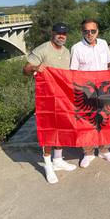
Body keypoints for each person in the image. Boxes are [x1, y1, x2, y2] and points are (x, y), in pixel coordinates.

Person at [23, 22, 77, 184]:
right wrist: (35, 68)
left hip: (63, 98)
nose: (62, 36)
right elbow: (25, 69)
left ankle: (58, 159)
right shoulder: (43, 49)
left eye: (64, 33)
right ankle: (47, 164)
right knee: (49, 130)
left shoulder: (67, 52)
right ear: (52, 33)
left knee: (61, 127)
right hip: (47, 98)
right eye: (59, 33)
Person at [70, 18, 110, 168]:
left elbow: (109, 62)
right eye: (86, 31)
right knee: (87, 122)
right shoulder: (76, 48)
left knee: (105, 119)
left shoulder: (103, 44)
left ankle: (104, 150)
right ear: (82, 32)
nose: (90, 34)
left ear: (97, 31)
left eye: (93, 31)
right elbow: (73, 72)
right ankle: (88, 153)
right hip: (86, 92)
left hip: (104, 89)